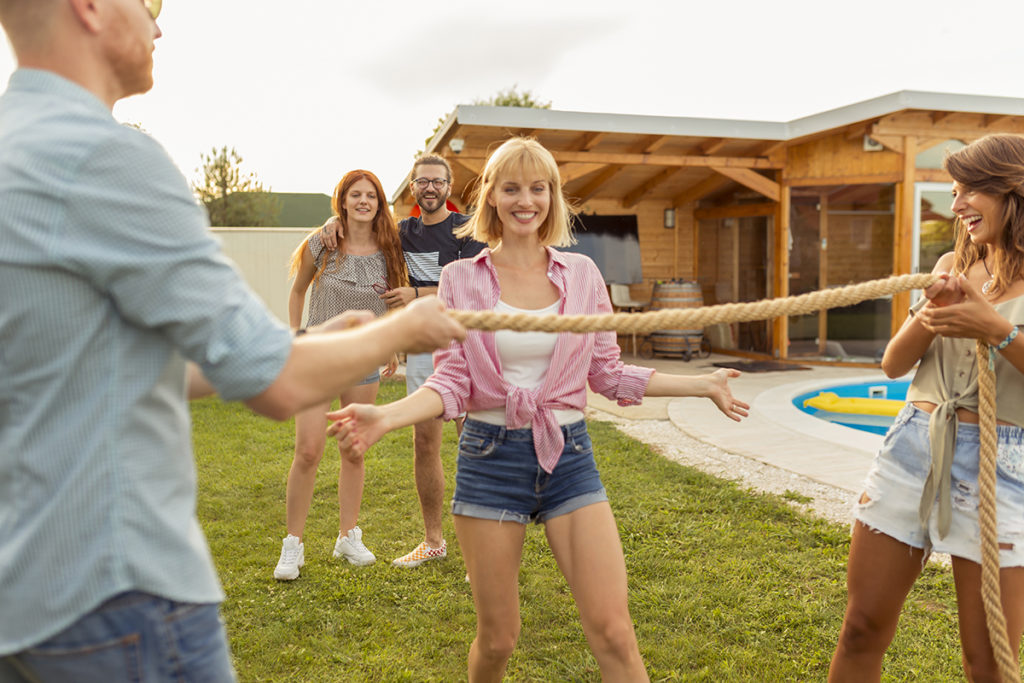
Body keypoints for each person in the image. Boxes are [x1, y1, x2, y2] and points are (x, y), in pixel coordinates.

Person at [0, 2, 465, 681]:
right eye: (151, 3)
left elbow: (104, 362)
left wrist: (325, 337)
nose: (160, 25)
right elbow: (272, 379)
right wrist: (407, 325)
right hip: (117, 595)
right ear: (91, 7)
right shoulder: (110, 157)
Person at [327, 137, 749, 681]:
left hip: (569, 458)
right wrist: (386, 416)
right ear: (493, 199)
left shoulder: (582, 276)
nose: (526, 199)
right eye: (511, 188)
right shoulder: (461, 280)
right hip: (489, 459)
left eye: (538, 187)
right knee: (499, 640)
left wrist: (703, 384)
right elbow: (453, 380)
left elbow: (607, 373)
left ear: (552, 196)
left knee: (616, 633)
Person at [829, 134, 1024, 682]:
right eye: (954, 191)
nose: (956, 205)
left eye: (970, 192)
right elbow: (893, 365)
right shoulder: (953, 263)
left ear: (1012, 190)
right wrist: (930, 308)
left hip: (1001, 471)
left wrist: (998, 330)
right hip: (912, 448)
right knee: (862, 626)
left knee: (988, 662)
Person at [322, 154, 485, 567]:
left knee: (479, 444)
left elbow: (474, 290)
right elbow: (360, 228)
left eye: (437, 181)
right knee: (424, 444)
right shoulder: (401, 233)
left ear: (449, 187)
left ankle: (483, 551)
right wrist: (332, 223)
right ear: (412, 188)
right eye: (422, 182)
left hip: (470, 349)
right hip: (424, 354)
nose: (430, 188)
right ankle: (434, 542)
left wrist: (417, 295)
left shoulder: (467, 231)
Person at [273, 170, 408, 580]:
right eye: (356, 195)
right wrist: (297, 338)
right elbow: (298, 290)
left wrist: (390, 345)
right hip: (317, 358)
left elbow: (394, 300)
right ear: (343, 201)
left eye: (371, 195)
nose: (364, 201)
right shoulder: (324, 242)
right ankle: (292, 545)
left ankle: (347, 536)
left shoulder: (390, 248)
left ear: (379, 203)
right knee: (309, 451)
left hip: (362, 361)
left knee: (353, 448)